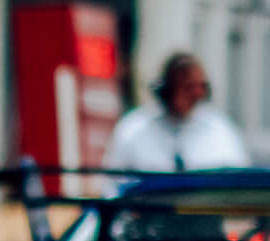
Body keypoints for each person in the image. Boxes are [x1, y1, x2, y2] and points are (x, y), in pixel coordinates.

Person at [102, 52, 250, 172]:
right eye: (188, 87)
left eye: (201, 87)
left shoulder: (221, 131)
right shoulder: (134, 129)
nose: (196, 94)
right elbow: (113, 184)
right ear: (166, 89)